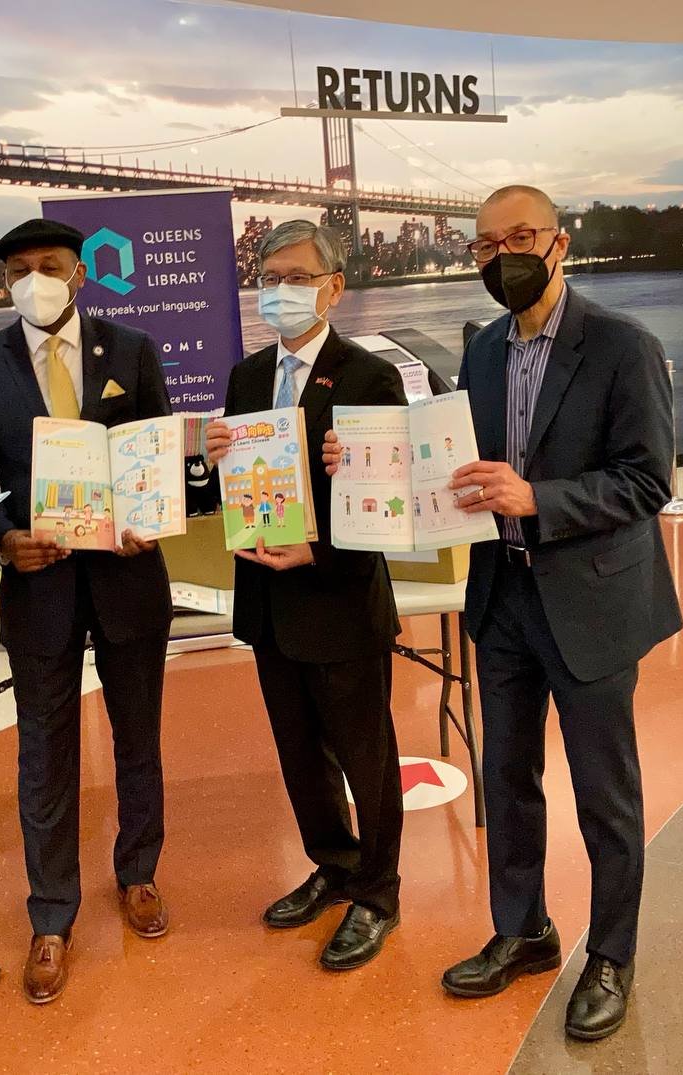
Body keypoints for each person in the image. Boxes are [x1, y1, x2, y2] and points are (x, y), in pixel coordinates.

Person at [335, 185, 682, 1040]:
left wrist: (538, 498)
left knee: (606, 793)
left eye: (518, 238)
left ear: (558, 243)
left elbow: (648, 480)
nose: (501, 258)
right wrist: (364, 461)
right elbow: (447, 462)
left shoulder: (621, 346)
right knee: (509, 778)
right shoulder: (483, 350)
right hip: (503, 596)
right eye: (484, 247)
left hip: (592, 596)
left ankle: (610, 951)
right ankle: (522, 928)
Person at [0, 219, 173, 1005]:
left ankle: (138, 874)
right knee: (44, 754)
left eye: (49, 265)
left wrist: (153, 514)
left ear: (81, 274)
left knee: (138, 736)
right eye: (19, 268)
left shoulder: (134, 351)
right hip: (38, 588)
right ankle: (51, 914)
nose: (34, 278)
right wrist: (6, 538)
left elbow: (158, 457)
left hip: (128, 579)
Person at [205, 219, 406, 971]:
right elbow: (232, 486)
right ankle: (334, 862)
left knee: (367, 757)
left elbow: (384, 503)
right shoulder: (246, 377)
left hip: (338, 596)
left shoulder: (367, 376)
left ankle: (378, 892)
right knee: (299, 754)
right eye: (269, 277)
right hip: (266, 600)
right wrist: (211, 455)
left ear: (332, 288)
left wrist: (320, 536)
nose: (280, 291)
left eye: (296, 277)